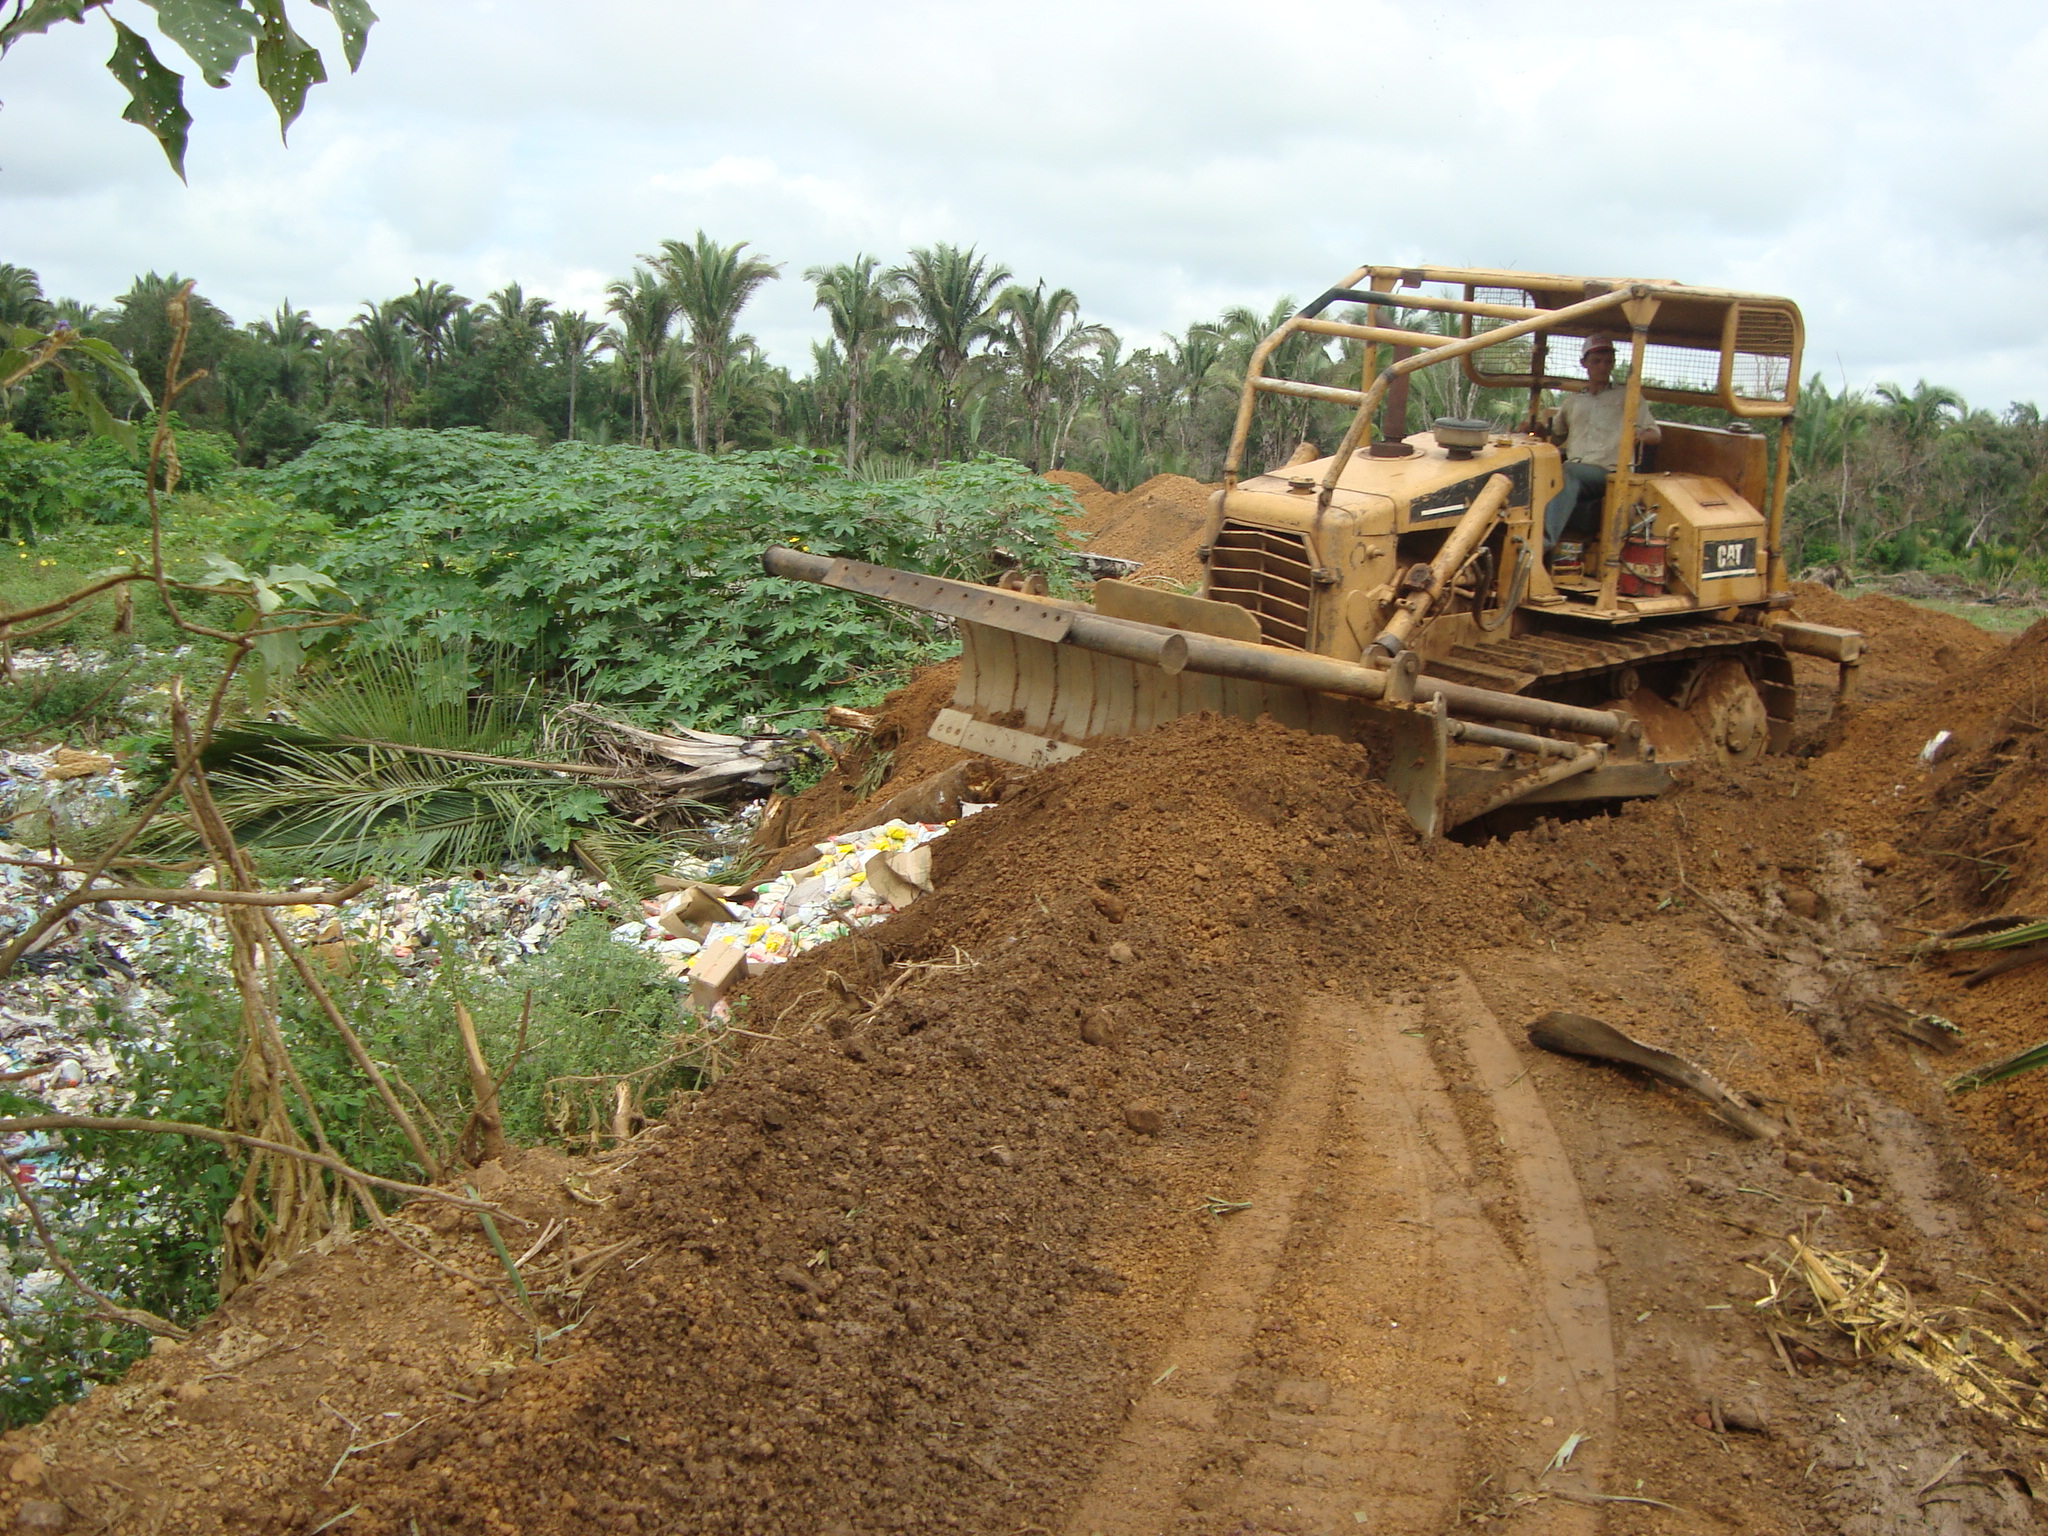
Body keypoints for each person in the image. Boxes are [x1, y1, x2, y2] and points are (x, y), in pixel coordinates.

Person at [1541, 336, 1661, 559]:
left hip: (1609, 473)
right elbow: (1555, 437)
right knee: (1540, 473)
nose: (1603, 367)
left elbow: (1655, 434)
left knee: (1568, 471)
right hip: (1577, 471)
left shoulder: (1628, 397)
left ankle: (1544, 542)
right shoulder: (1573, 401)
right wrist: (1534, 430)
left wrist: (1638, 435)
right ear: (1584, 363)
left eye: (1608, 361)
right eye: (1597, 361)